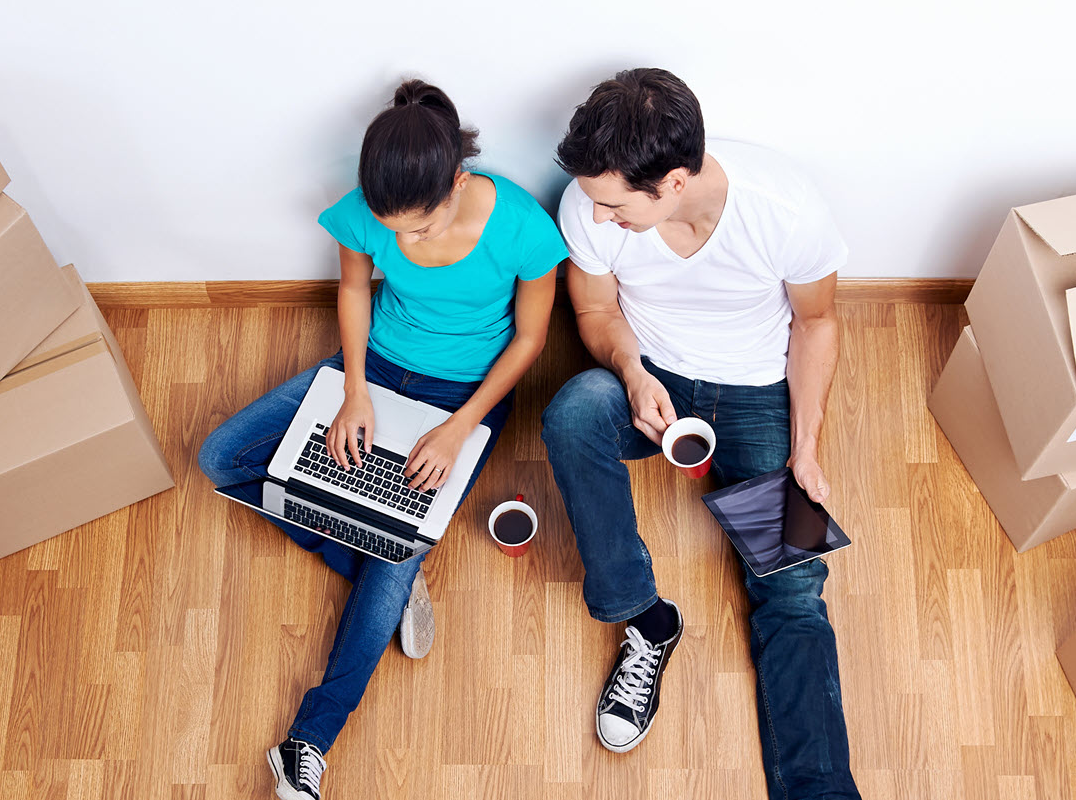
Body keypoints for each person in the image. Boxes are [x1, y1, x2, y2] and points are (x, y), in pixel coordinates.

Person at [197, 80, 567, 800]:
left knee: (395, 547)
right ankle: (381, 569)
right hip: (372, 368)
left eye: (420, 229)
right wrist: (355, 390)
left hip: (464, 396)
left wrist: (460, 427)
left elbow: (530, 339)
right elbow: (353, 290)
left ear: (456, 182)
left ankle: (310, 739)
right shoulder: (365, 213)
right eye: (393, 230)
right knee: (220, 458)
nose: (407, 242)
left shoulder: (522, 227)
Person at [538, 68, 861, 799]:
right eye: (595, 202)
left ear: (675, 182)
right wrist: (631, 372)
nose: (598, 217)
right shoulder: (589, 204)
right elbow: (594, 312)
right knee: (574, 412)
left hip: (755, 392)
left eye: (615, 205)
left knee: (795, 590)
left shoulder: (786, 210)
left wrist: (806, 448)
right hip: (651, 376)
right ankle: (645, 620)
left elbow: (817, 323)